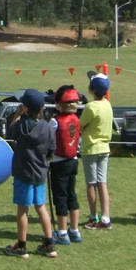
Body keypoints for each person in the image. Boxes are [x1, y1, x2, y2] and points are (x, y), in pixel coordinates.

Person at [3, 89, 58, 259]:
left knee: (23, 209)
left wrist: (18, 113)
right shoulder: (47, 127)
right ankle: (49, 244)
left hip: (23, 173)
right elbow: (51, 151)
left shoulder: (21, 125)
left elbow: (10, 132)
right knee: (41, 207)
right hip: (40, 173)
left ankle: (21, 245)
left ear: (26, 107)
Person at [49, 85, 83, 245]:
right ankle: (74, 230)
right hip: (73, 160)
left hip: (58, 162)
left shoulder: (55, 122)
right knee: (71, 194)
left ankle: (62, 232)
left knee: (60, 196)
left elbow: (48, 141)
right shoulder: (76, 120)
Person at [80, 73, 114, 230]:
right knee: (102, 183)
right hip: (105, 148)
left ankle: (94, 217)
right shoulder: (107, 104)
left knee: (91, 184)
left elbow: (81, 125)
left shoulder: (91, 107)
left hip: (91, 148)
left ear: (92, 89)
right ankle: (106, 217)